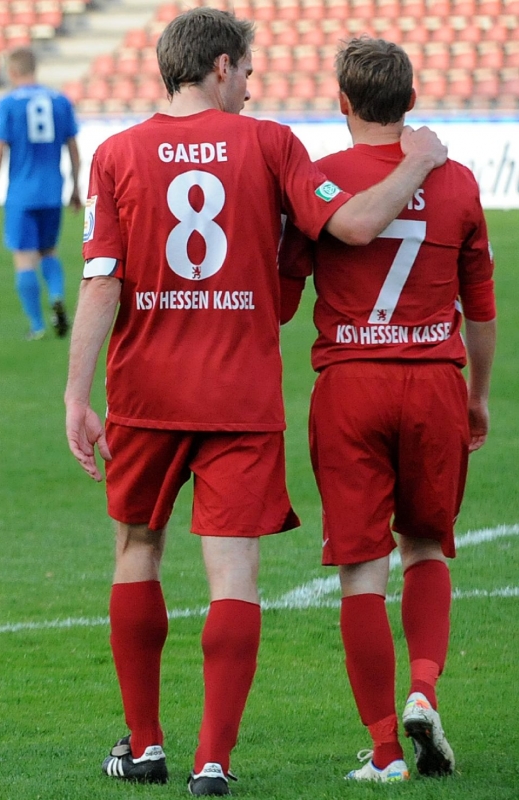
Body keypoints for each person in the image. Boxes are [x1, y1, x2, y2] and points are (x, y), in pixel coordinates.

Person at [64, 10, 447, 796]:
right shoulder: (271, 144)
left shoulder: (116, 152)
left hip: (144, 392)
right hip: (240, 395)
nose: (249, 85)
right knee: (233, 572)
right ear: (218, 65)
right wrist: (418, 162)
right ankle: (213, 760)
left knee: (137, 550)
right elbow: (352, 225)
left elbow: (102, 283)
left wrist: (77, 392)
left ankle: (145, 746)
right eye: (245, 71)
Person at [279, 37, 496, 784]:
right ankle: (423, 691)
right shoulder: (457, 181)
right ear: (411, 99)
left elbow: (282, 299)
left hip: (350, 386)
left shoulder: (319, 180)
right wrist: (476, 397)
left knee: (361, 570)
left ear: (341, 101)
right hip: (434, 382)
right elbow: (481, 310)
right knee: (426, 546)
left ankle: (383, 753)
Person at [0, 47, 81, 340]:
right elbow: (73, 147)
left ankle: (38, 326)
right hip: (52, 191)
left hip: (21, 194)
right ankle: (56, 295)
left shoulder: (8, 103)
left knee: (24, 259)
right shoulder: (60, 100)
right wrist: (76, 187)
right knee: (48, 251)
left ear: (13, 71)